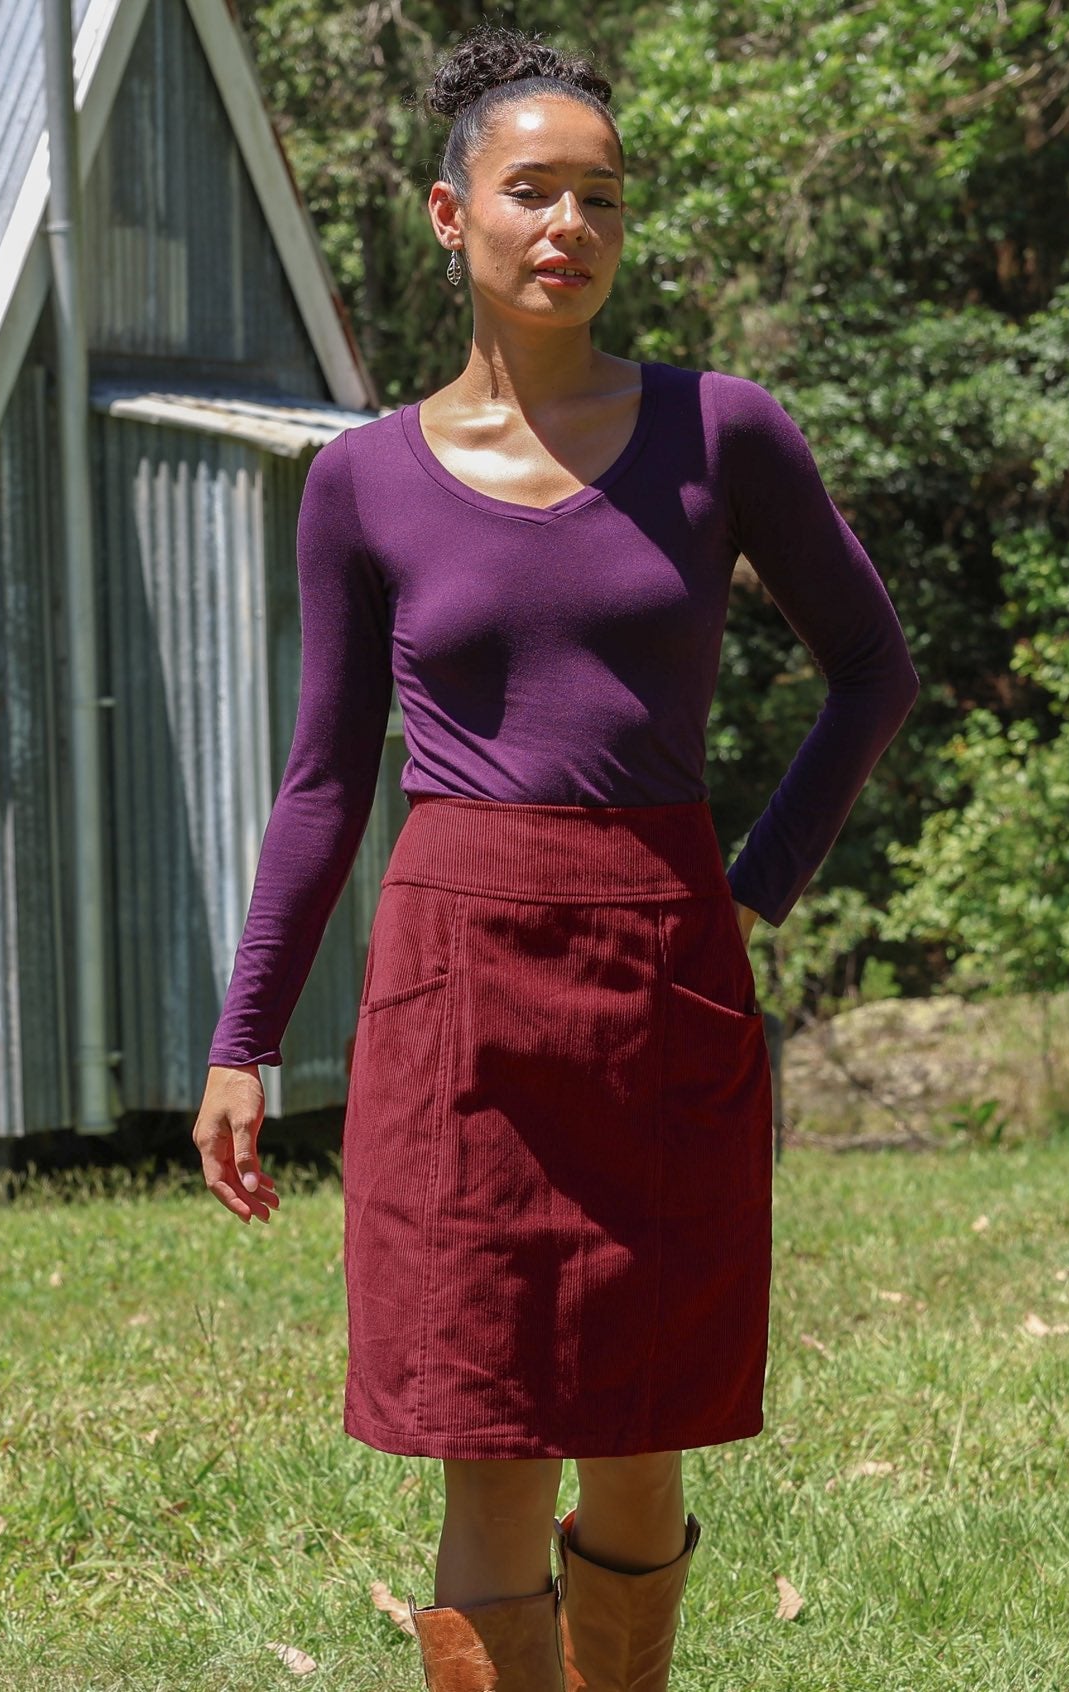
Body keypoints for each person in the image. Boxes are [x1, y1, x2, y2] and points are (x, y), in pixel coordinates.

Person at [192, 20, 920, 1691]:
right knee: (491, 1441)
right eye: (533, 192)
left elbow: (872, 673)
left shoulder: (724, 435)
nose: (569, 226)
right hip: (456, 992)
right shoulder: (362, 484)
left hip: (663, 971)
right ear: (454, 214)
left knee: (643, 1434)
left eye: (600, 196)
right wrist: (245, 1037)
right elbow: (324, 783)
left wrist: (750, 888)